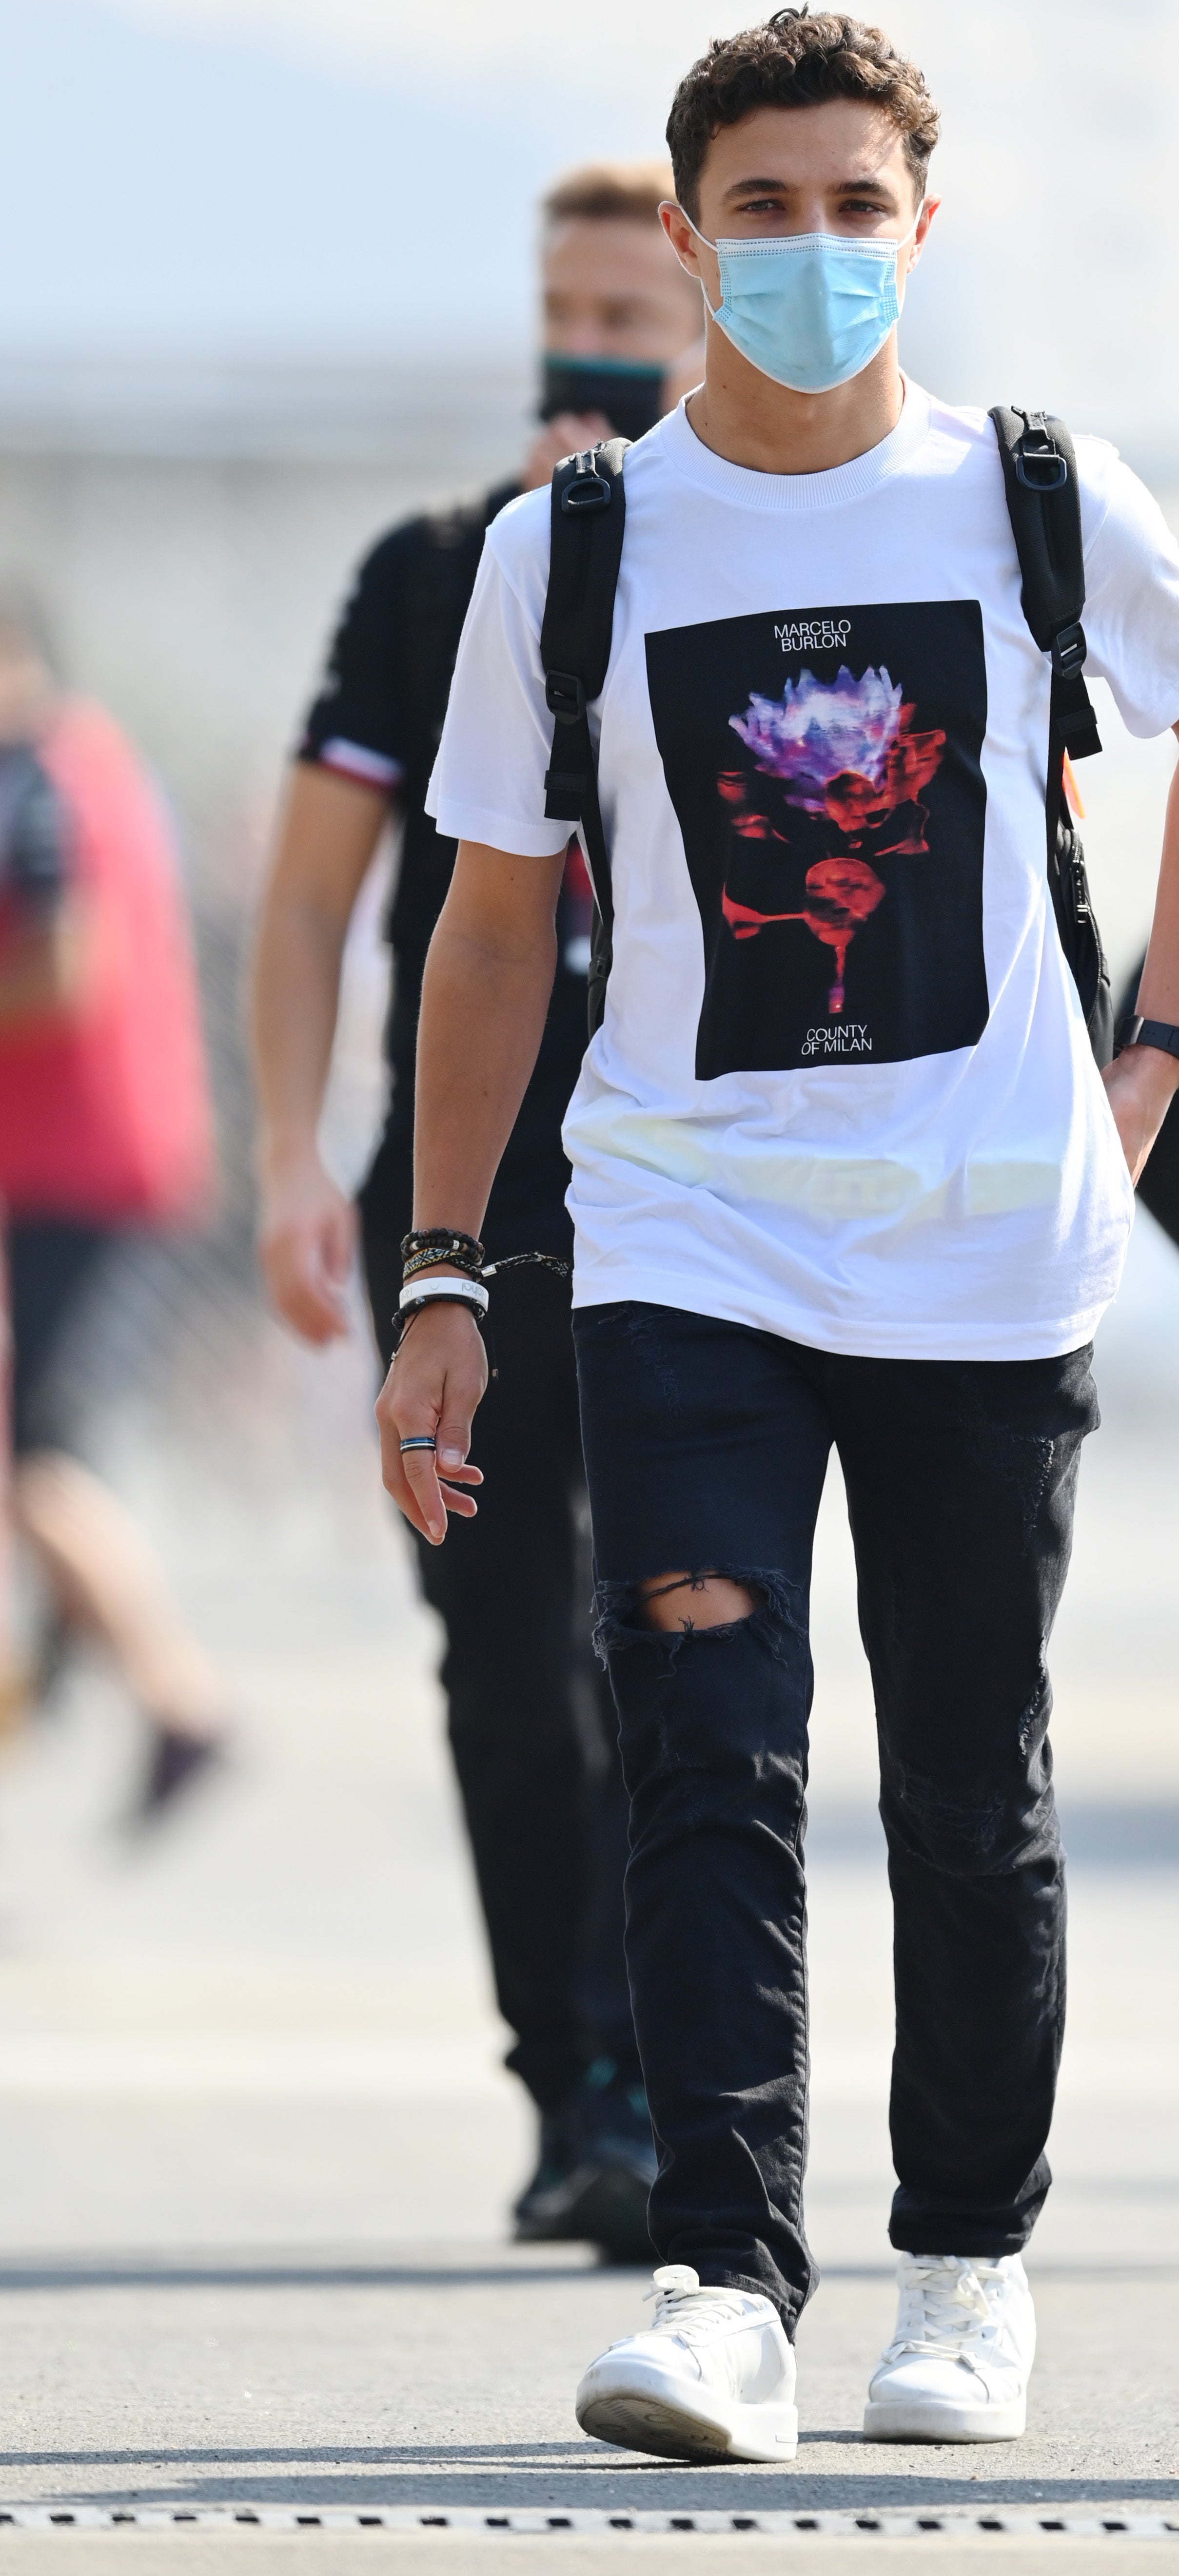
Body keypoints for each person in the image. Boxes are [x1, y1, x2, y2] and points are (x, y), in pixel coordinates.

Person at [376, 7, 1179, 2461]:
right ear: (680, 238)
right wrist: (444, 1271)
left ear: (919, 221)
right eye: (755, 208)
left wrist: (1156, 1050)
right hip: (679, 1230)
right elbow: (485, 927)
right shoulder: (568, 551)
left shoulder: (1026, 496)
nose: (803, 249)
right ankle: (722, 2281)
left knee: (968, 1769)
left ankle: (963, 2271)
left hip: (992, 1241)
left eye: (848, 205)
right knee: (705, 1743)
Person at [249, 160, 704, 2258]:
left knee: (684, 1641)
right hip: (475, 1193)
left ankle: (696, 2065)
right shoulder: (435, 571)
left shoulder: (751, 563)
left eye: (637, 309)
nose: (593, 347)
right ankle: (578, 2076)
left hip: (707, 1191)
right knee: (512, 1655)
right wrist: (283, 1157)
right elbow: (316, 897)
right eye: (565, 306)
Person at [0, 592, 224, 1819]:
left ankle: (176, 1693)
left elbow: (66, 959)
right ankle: (71, 1653)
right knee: (46, 1445)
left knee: (37, 1457)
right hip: (100, 1154)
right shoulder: (102, 769)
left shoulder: (43, 782)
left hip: (77, 1164)